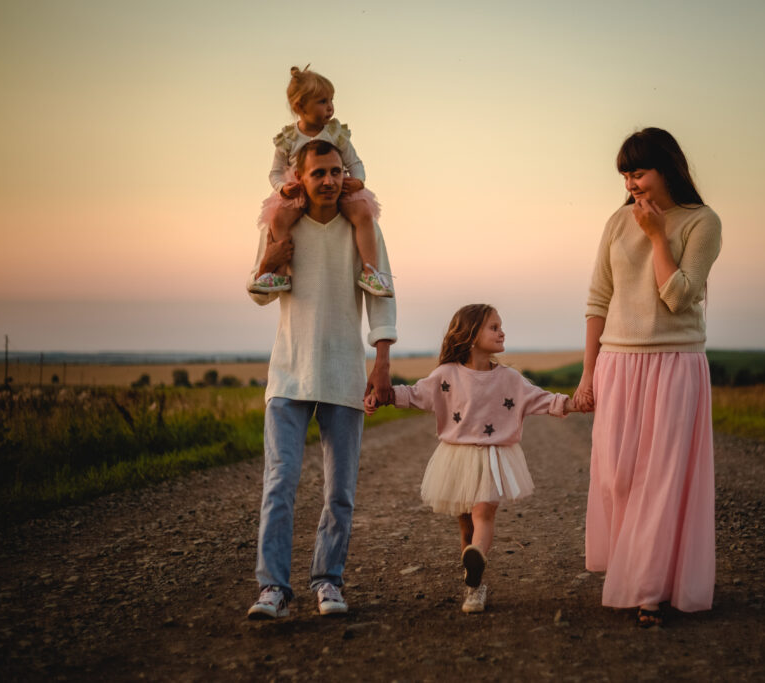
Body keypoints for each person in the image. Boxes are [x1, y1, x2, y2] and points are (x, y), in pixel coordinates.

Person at [573, 128, 722, 628]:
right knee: (616, 474)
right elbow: (598, 299)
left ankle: (649, 593)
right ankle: (634, 569)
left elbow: (679, 296)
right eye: (625, 175)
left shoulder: (702, 222)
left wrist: (658, 236)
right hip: (618, 362)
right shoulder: (616, 221)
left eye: (638, 172)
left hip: (676, 362)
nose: (630, 183)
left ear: (666, 169)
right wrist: (588, 374)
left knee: (661, 479)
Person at [245, 139, 397, 620]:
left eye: (335, 171)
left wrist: (382, 360)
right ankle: (273, 588)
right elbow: (260, 293)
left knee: (340, 491)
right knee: (280, 482)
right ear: (300, 178)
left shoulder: (361, 224)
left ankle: (327, 581)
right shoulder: (282, 222)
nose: (329, 181)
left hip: (343, 373)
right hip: (289, 374)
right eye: (318, 174)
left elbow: (382, 292)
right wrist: (270, 258)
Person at [367, 304, 578, 613]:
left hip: (493, 456)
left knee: (483, 514)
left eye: (501, 326)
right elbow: (414, 394)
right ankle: (473, 586)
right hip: (457, 458)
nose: (501, 331)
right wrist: (380, 396)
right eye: (494, 327)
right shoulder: (446, 375)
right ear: (470, 334)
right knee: (466, 526)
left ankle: (478, 553)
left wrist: (574, 402)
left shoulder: (509, 378)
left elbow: (540, 398)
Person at [249, 64, 393, 298]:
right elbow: (274, 172)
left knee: (363, 213)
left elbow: (355, 163)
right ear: (300, 107)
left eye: (331, 100)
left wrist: (358, 182)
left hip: (338, 191)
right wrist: (282, 188)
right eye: (322, 101)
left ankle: (370, 271)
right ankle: (280, 274)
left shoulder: (336, 133)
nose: (330, 108)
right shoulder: (288, 138)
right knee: (278, 219)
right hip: (297, 192)